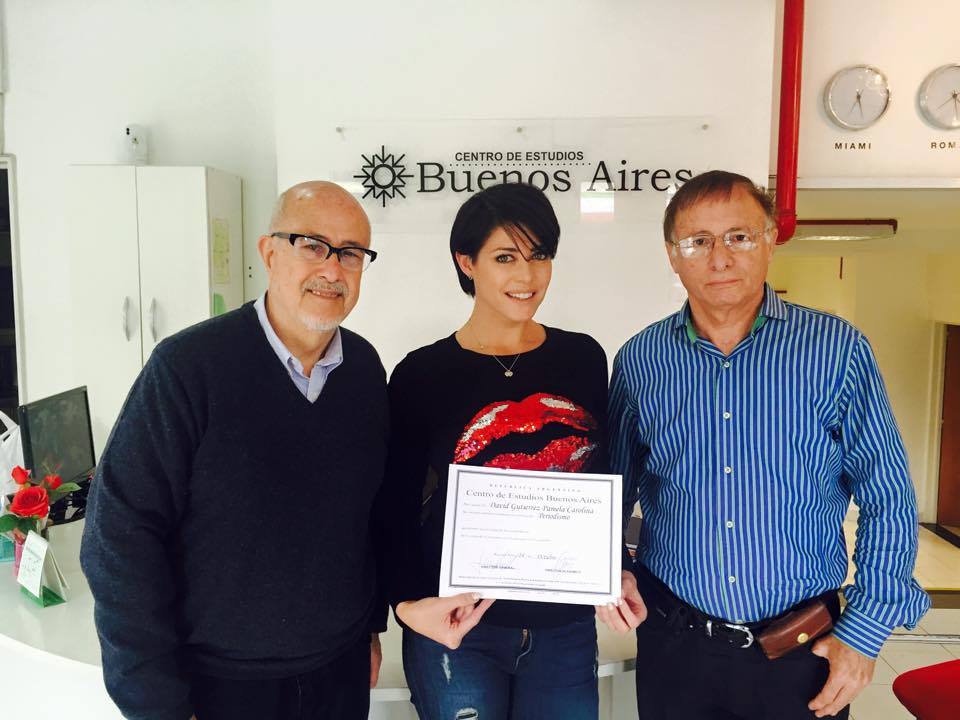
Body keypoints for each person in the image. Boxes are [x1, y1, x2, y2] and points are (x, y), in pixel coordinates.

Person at [608, 169, 930, 719]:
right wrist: (611, 567)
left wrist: (865, 631)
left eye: (738, 236)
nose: (720, 258)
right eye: (698, 241)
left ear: (770, 240)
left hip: (801, 651)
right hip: (676, 648)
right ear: (672, 255)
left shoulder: (835, 350)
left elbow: (888, 495)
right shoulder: (642, 360)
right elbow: (612, 489)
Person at [81, 181, 392, 720]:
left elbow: (365, 516)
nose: (332, 268)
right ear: (269, 252)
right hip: (219, 685)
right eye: (312, 245)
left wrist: (368, 626)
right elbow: (120, 538)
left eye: (350, 253)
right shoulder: (187, 367)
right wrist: (156, 704)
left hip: (339, 673)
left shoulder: (364, 370)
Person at [384, 182, 640, 720]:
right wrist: (406, 606)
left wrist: (613, 568)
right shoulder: (421, 373)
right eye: (505, 257)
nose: (527, 276)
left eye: (539, 255)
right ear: (467, 262)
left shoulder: (582, 357)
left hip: (564, 628)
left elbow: (598, 479)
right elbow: (394, 504)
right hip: (458, 626)